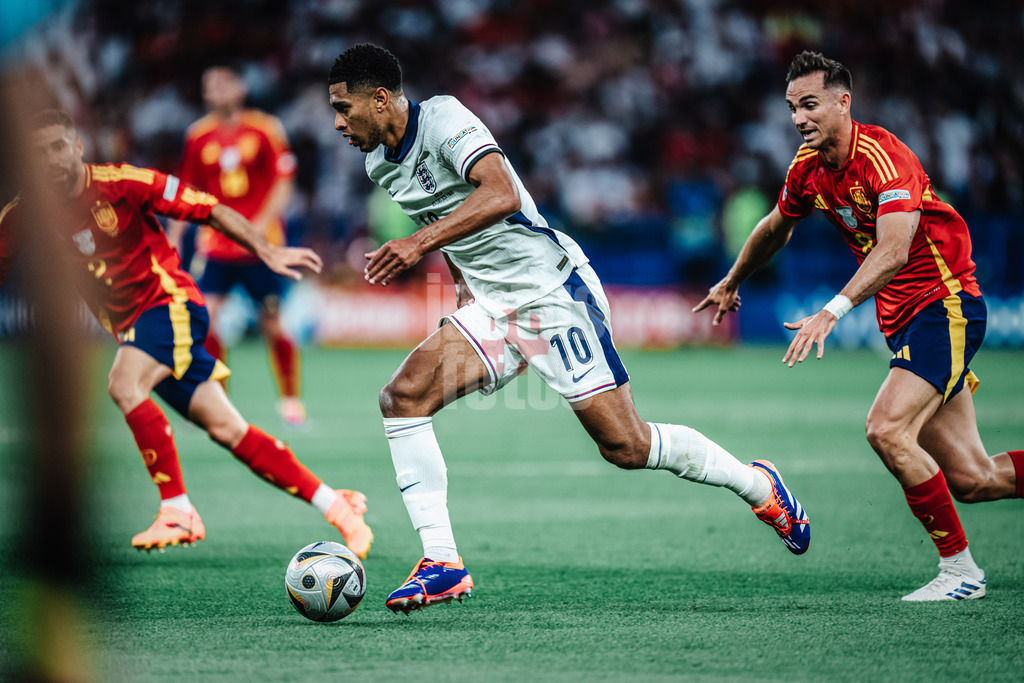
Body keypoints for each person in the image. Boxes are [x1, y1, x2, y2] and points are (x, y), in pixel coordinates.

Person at [326, 44, 811, 615]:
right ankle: (442, 562)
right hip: (493, 304)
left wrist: (416, 246)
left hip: (552, 294)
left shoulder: (445, 119)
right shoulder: (378, 163)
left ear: (380, 99)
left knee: (627, 447)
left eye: (343, 108)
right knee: (402, 398)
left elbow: (500, 193)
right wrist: (460, 284)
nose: (337, 123)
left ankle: (760, 486)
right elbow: (442, 218)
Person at [695, 51, 1024, 601]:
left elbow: (894, 250)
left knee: (886, 429)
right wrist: (732, 281)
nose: (800, 117)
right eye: (792, 107)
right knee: (972, 478)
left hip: (945, 305)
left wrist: (831, 311)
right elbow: (777, 227)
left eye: (810, 104)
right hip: (905, 320)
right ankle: (960, 565)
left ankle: (960, 572)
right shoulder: (807, 165)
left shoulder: (884, 157)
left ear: (843, 102)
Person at [0, 109, 373, 557]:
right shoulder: (24, 215)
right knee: (227, 428)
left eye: (58, 147)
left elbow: (209, 209)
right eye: (38, 153)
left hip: (170, 304)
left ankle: (177, 509)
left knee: (123, 383)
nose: (51, 160)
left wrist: (266, 249)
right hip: (135, 329)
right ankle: (338, 507)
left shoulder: (125, 182)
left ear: (77, 146)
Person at [169, 64, 306, 426]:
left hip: (261, 246)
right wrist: (175, 236)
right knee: (206, 320)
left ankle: (291, 400)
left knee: (272, 325)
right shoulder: (198, 135)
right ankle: (221, 403)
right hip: (214, 244)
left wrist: (259, 225)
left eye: (221, 84)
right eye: (208, 86)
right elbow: (187, 191)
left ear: (239, 88)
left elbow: (284, 182)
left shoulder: (265, 128)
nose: (214, 91)